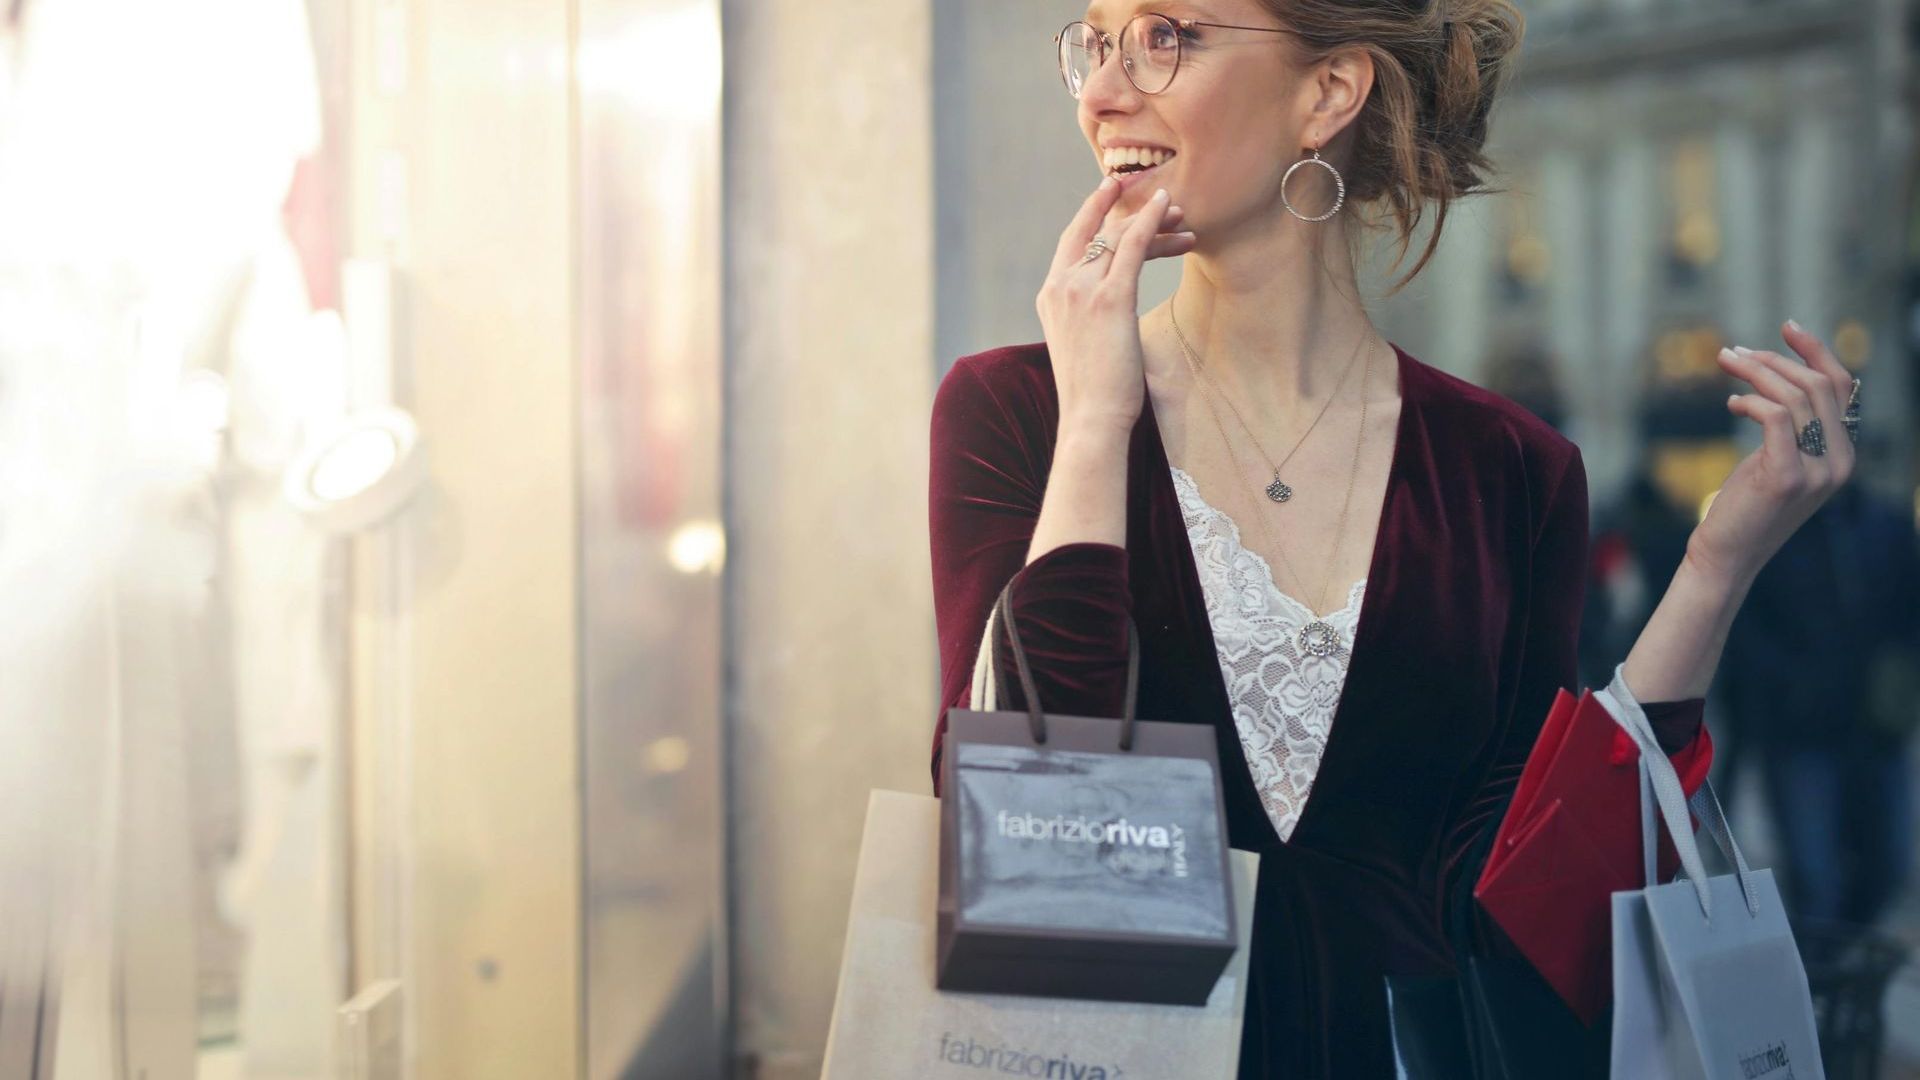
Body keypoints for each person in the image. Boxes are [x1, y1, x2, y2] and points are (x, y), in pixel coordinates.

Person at [925, 1, 1866, 1075]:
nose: (1100, 90)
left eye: (1164, 34)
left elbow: (1522, 910)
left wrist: (1718, 565)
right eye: (1093, 42)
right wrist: (1097, 421)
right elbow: (1022, 836)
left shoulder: (1508, 468)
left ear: (1329, 93)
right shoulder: (1017, 412)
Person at [1721, 474, 1919, 929]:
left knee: (1887, 865)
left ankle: (1846, 959)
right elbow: (1744, 627)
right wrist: (1790, 686)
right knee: (1814, 875)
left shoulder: (1884, 524)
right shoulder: (1773, 529)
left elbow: (1910, 608)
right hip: (1799, 733)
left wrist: (1901, 675)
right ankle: (1820, 978)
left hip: (1876, 727)